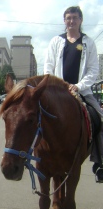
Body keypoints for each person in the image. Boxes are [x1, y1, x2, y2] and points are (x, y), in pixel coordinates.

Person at [44, 6, 103, 182]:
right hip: (57, 91)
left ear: (80, 21)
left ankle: (99, 163)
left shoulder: (88, 42)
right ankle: (31, 153)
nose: (71, 21)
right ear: (64, 21)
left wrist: (78, 86)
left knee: (99, 119)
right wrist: (56, 85)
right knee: (35, 114)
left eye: (75, 18)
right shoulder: (56, 41)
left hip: (82, 91)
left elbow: (93, 70)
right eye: (68, 18)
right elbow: (48, 66)